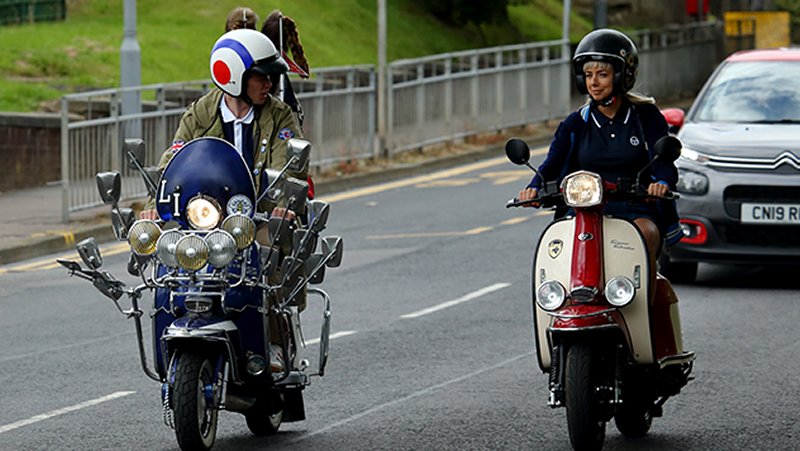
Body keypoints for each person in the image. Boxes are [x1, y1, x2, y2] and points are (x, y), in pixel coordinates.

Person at [140, 28, 306, 372]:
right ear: (234, 77)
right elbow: (174, 159)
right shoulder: (200, 113)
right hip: (205, 216)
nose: (270, 84)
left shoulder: (279, 115)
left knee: (268, 258)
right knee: (169, 256)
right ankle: (174, 324)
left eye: (271, 78)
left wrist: (283, 202)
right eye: (261, 77)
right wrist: (155, 202)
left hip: (258, 215)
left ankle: (275, 342)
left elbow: (289, 166)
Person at [518, 28, 682, 276]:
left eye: (602, 74)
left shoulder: (646, 117)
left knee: (645, 234)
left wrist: (661, 183)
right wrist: (533, 188)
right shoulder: (575, 123)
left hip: (635, 207)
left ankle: (644, 296)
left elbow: (664, 161)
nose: (593, 82)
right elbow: (552, 164)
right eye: (588, 75)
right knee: (557, 246)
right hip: (584, 210)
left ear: (622, 75)